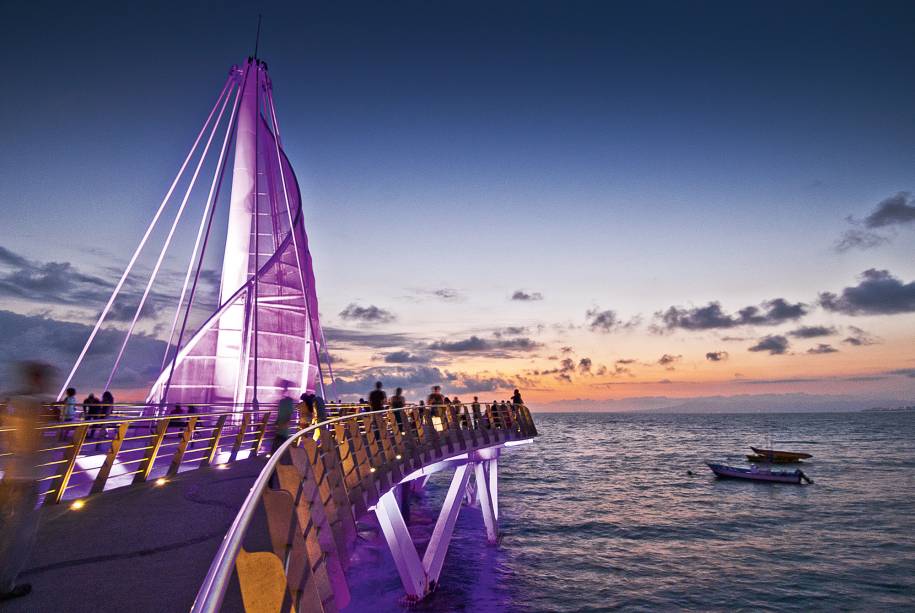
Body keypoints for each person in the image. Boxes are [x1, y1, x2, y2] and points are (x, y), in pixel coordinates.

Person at [0, 361, 53, 601]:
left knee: (6, 531)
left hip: (9, 476)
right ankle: (4, 586)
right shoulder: (32, 406)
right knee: (20, 537)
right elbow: (33, 445)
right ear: (38, 379)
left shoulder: (12, 402)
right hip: (25, 479)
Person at [271, 380, 295, 454]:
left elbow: (290, 415)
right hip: (281, 429)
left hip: (282, 430)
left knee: (278, 447)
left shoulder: (286, 402)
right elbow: (288, 415)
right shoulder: (284, 402)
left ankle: (275, 460)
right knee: (279, 447)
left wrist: (280, 424)